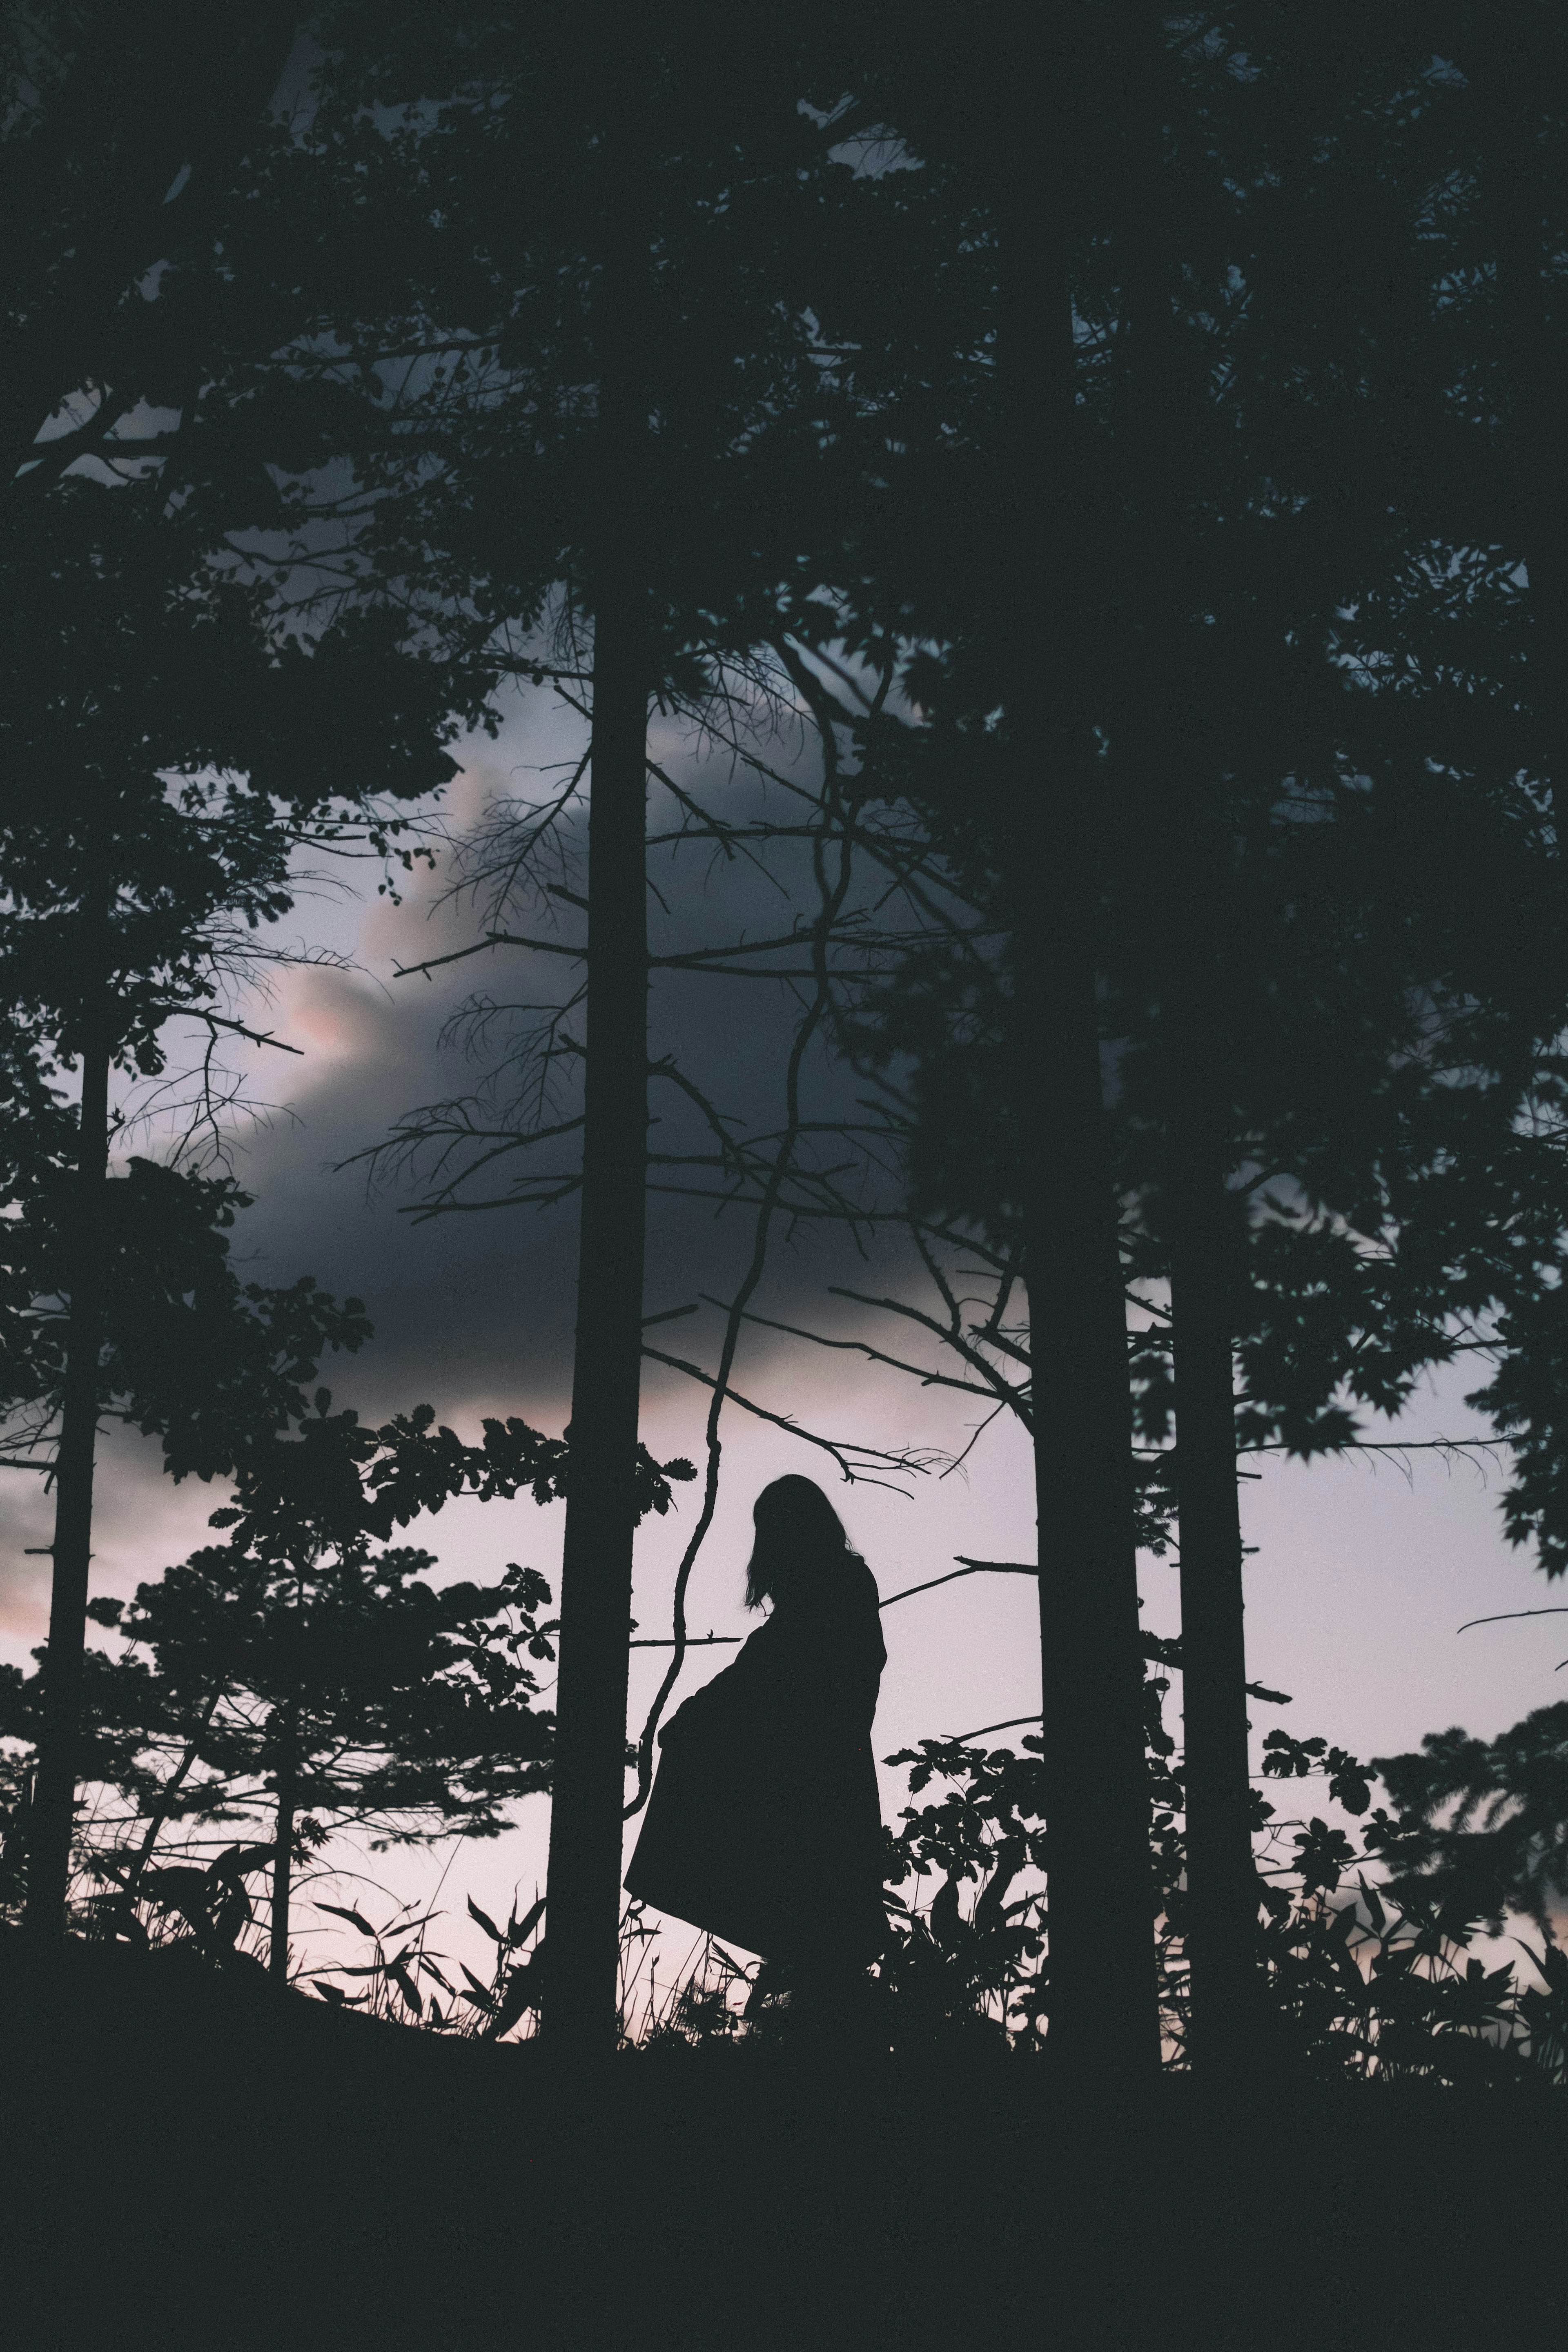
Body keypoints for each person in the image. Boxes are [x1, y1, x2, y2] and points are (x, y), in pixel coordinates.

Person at [623, 1474, 888, 2016]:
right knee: (811, 1914)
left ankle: (815, 2021)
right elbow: (769, 1671)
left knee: (813, 1910)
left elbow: (777, 1673)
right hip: (819, 1766)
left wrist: (698, 1716)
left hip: (817, 1772)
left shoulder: (836, 1586)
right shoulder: (833, 1587)